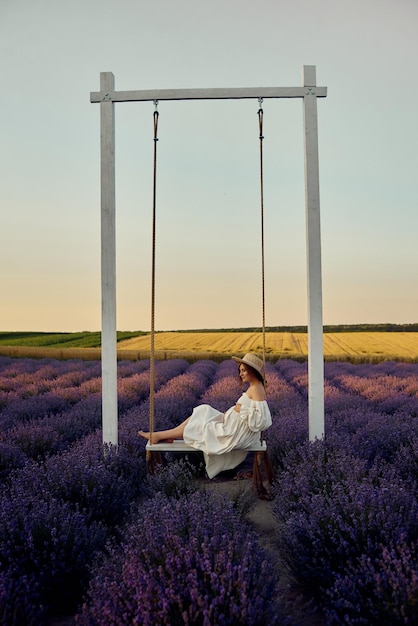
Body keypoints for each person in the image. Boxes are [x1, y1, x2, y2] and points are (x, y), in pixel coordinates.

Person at [138, 352, 272, 478]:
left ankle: (160, 436)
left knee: (200, 426)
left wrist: (240, 409)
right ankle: (168, 434)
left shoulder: (256, 388)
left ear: (252, 371)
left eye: (244, 370)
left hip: (234, 434)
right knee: (203, 410)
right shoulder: (254, 386)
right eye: (240, 370)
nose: (241, 374)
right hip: (233, 426)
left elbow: (261, 420)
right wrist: (232, 412)